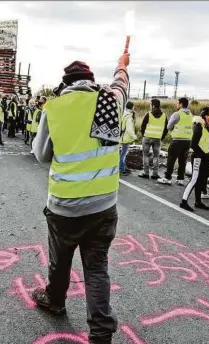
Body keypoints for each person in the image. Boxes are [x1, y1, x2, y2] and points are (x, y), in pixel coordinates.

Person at [31, 52, 130, 344]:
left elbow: (41, 155)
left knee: (60, 261)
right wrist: (122, 65)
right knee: (97, 267)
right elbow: (121, 83)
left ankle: (55, 300)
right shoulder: (109, 102)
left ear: (66, 84)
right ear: (91, 81)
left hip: (64, 207)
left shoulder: (55, 108)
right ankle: (100, 331)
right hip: (103, 206)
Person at [180, 107, 209, 212]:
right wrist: (203, 155)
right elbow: (193, 144)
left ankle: (198, 202)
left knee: (201, 180)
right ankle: (183, 202)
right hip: (198, 158)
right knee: (194, 179)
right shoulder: (199, 126)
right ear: (206, 116)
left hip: (206, 159)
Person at [157, 97, 193, 185]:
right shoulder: (190, 115)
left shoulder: (177, 114)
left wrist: (174, 129)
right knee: (182, 160)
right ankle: (180, 179)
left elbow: (168, 126)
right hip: (188, 140)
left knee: (171, 159)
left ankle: (167, 178)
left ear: (181, 104)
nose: (176, 105)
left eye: (177, 103)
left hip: (177, 140)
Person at [139, 98, 168, 179]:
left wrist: (143, 135)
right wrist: (161, 137)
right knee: (156, 156)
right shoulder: (164, 116)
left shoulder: (148, 114)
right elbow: (166, 129)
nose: (150, 105)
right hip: (157, 139)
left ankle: (146, 172)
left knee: (145, 155)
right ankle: (155, 174)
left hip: (147, 137)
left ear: (153, 105)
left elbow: (142, 126)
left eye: (150, 104)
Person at [119, 100, 137, 176]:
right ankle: (122, 169)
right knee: (123, 154)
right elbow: (129, 129)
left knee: (123, 153)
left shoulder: (125, 114)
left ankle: (123, 167)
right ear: (132, 107)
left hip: (123, 137)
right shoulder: (129, 117)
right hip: (126, 138)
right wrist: (135, 137)